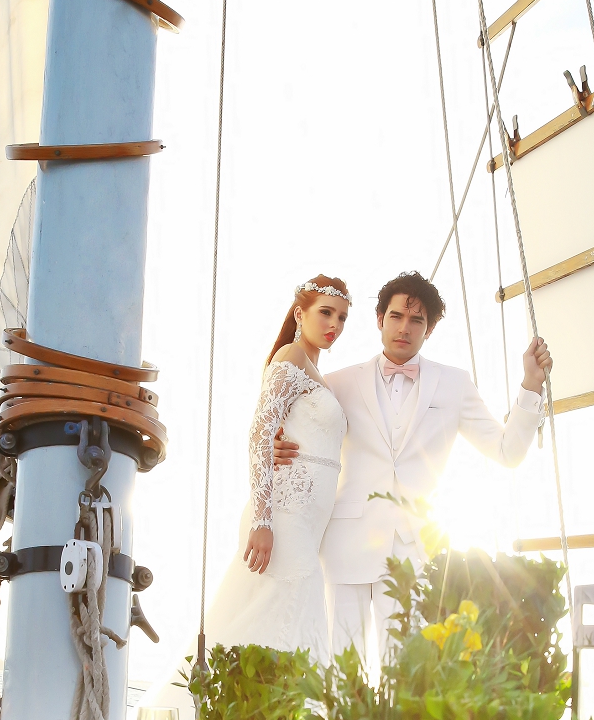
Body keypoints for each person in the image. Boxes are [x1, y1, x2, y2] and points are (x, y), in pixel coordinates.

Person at [274, 270, 550, 658]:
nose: (404, 328)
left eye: (416, 320)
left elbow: (508, 452)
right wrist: (277, 448)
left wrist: (531, 386)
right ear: (379, 320)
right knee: (338, 671)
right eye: (396, 317)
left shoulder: (455, 384)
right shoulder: (337, 382)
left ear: (430, 329)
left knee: (403, 674)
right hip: (344, 544)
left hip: (415, 552)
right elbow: (289, 427)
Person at [200, 274, 351, 662]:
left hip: (308, 523)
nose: (334, 324)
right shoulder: (291, 357)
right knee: (280, 624)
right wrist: (263, 520)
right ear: (300, 314)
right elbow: (260, 433)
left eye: (342, 317)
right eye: (326, 313)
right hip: (282, 518)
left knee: (284, 624)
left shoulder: (320, 377)